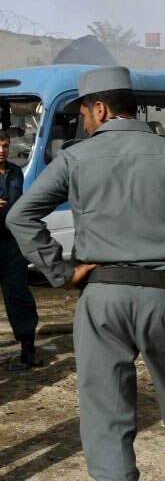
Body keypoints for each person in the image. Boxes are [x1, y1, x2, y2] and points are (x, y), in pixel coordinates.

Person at [7, 66, 165, 481]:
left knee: (106, 407)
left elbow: (21, 216)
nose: (84, 121)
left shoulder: (74, 158)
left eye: (84, 113)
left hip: (102, 299)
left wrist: (61, 272)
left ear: (99, 107)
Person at [0, 131, 42, 370]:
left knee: (20, 297)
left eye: (5, 145)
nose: (2, 150)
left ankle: (28, 348)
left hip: (11, 246)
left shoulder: (16, 172)